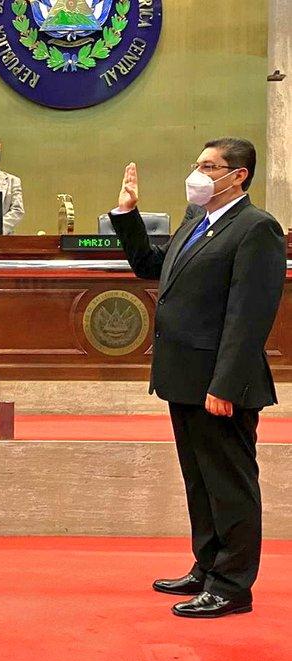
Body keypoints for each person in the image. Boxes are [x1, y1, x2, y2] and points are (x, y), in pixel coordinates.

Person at [108, 137, 286, 619]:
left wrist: (224, 385)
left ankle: (232, 585)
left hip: (219, 382)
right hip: (182, 376)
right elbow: (153, 267)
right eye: (198, 164)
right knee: (200, 480)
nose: (198, 173)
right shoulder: (196, 220)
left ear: (238, 175)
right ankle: (207, 565)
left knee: (230, 484)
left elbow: (249, 317)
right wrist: (128, 214)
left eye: (209, 166)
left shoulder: (256, 228)